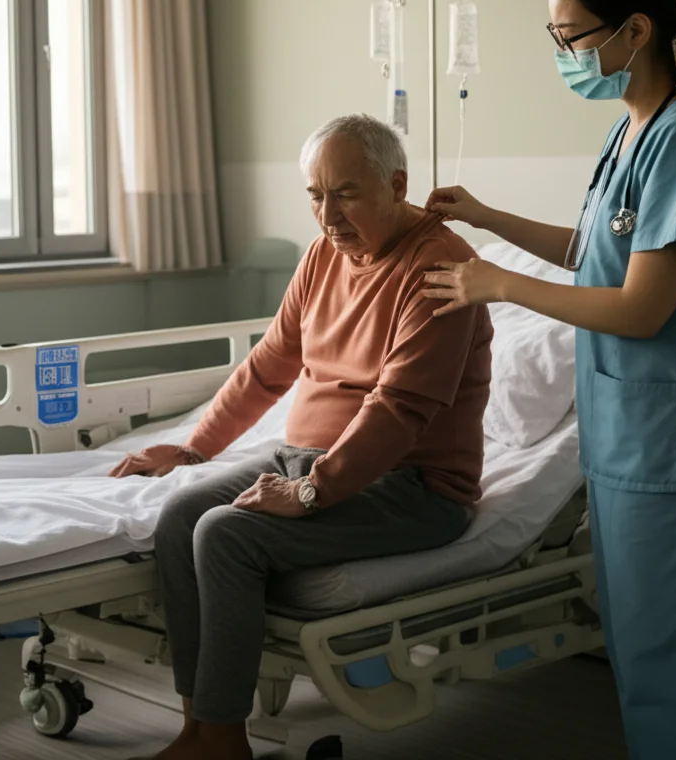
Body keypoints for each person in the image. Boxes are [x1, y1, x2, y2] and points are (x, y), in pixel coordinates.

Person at [423, 0, 676, 759]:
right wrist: (488, 219)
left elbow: (643, 309)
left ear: (635, 31)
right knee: (643, 656)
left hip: (672, 451)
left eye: (570, 38)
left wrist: (497, 285)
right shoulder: (630, 129)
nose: (562, 54)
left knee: (674, 664)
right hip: (625, 442)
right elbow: (595, 252)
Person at [110, 114, 493, 760]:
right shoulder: (322, 257)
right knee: (179, 516)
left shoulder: (441, 268)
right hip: (308, 460)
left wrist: (313, 491)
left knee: (224, 534)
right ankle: (200, 728)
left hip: (414, 488)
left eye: (344, 193)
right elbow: (270, 365)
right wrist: (196, 447)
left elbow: (398, 410)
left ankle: (223, 736)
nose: (327, 216)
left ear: (396, 184)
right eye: (315, 196)